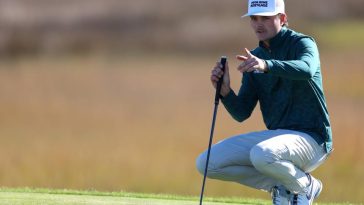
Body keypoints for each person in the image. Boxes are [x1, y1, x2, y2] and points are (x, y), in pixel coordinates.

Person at [196, 0, 333, 204]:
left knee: (261, 154)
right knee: (207, 163)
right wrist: (225, 92)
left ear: (283, 18)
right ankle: (283, 186)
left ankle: (305, 186)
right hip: (277, 140)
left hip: (313, 139)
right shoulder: (255, 58)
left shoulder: (302, 43)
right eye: (254, 18)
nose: (259, 24)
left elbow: (306, 69)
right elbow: (241, 112)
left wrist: (266, 65)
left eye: (266, 18)